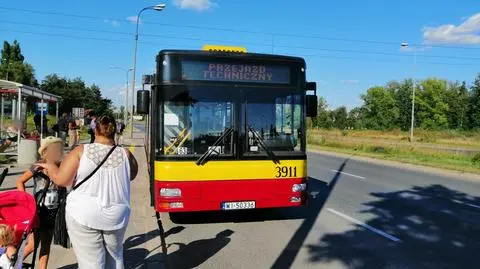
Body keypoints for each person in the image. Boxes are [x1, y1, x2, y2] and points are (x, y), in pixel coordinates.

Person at [36, 115, 138, 269]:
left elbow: (61, 180)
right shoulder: (126, 154)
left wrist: (50, 167)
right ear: (114, 131)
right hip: (117, 215)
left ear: (94, 131)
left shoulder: (81, 151)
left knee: (91, 263)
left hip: (84, 214)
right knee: (116, 257)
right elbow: (131, 175)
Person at [15, 136, 64, 269]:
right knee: (31, 246)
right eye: (55, 149)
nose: (58, 152)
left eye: (60, 149)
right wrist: (25, 201)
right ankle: (11, 264)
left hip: (53, 213)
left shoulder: (62, 167)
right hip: (37, 212)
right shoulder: (38, 167)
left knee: (46, 245)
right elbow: (20, 181)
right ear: (46, 152)